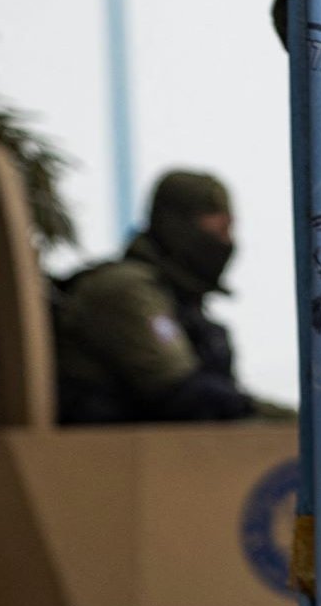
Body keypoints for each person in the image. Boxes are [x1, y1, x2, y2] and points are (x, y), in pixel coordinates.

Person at [54, 171, 286, 424]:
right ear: (179, 226)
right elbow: (183, 393)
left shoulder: (176, 298)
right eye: (217, 229)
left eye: (228, 229)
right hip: (105, 455)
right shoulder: (126, 289)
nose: (226, 243)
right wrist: (297, 422)